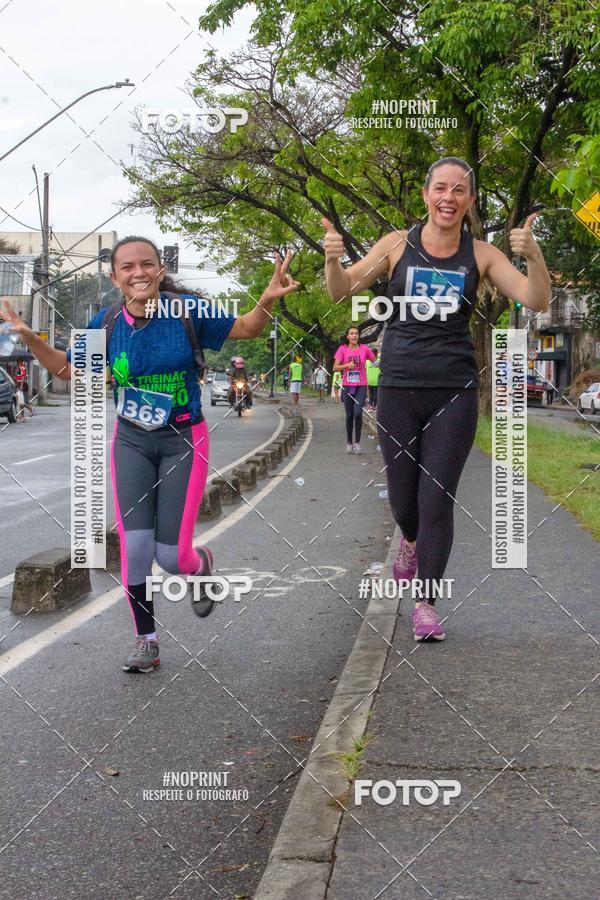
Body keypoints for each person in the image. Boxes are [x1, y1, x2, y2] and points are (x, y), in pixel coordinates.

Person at [1, 237, 299, 671]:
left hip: (183, 438)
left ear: (160, 270)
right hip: (132, 441)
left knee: (172, 557)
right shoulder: (105, 324)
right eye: (127, 267)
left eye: (147, 265)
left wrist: (268, 300)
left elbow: (249, 328)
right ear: (114, 275)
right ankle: (147, 640)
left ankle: (200, 568)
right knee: (135, 548)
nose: (138, 273)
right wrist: (31, 339)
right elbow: (68, 368)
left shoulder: (186, 313)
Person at [323, 156, 551, 642]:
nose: (449, 198)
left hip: (454, 390)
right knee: (406, 504)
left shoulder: (482, 254)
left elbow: (535, 300)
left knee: (437, 498)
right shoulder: (395, 245)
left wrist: (533, 255)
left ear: (469, 201)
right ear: (426, 195)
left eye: (460, 191)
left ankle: (426, 602)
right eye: (440, 188)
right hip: (399, 386)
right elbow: (341, 291)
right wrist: (331, 259)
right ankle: (409, 543)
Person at [333, 327, 375, 454]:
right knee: (349, 415)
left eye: (356, 333)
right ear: (347, 336)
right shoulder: (342, 350)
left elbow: (375, 362)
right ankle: (349, 442)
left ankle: (357, 442)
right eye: (351, 333)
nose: (354, 335)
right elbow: (335, 368)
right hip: (347, 386)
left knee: (358, 413)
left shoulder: (365, 349)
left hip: (361, 386)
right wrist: (347, 365)